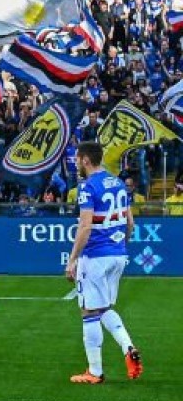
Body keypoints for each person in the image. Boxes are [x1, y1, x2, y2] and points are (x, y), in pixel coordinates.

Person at [66, 140, 144, 383]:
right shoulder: (118, 183)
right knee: (104, 308)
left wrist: (72, 259)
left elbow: (85, 226)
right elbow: (130, 223)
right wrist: (121, 245)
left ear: (86, 160)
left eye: (78, 159)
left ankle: (95, 372)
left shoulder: (88, 187)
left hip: (96, 256)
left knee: (88, 310)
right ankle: (128, 348)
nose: (76, 162)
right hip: (118, 254)